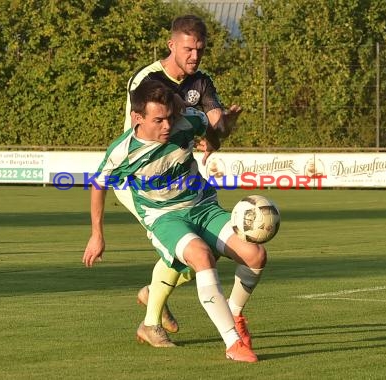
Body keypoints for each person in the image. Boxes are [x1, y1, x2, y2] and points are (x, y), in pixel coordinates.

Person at [83, 80, 266, 363]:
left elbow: (209, 131)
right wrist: (97, 235)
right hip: (164, 216)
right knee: (202, 256)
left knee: (255, 255)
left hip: (203, 206)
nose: (167, 125)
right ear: (137, 118)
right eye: (158, 120)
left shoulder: (187, 120)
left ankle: (235, 312)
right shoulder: (123, 151)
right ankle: (233, 343)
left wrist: (212, 143)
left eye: (169, 117)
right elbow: (98, 185)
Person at [120, 14, 245, 342]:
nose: (195, 56)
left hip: (181, 181)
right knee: (184, 246)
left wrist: (225, 125)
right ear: (172, 45)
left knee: (206, 251)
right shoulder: (147, 79)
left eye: (200, 50)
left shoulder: (201, 83)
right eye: (188, 49)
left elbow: (215, 132)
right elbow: (138, 134)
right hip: (141, 182)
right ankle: (151, 321)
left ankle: (155, 294)